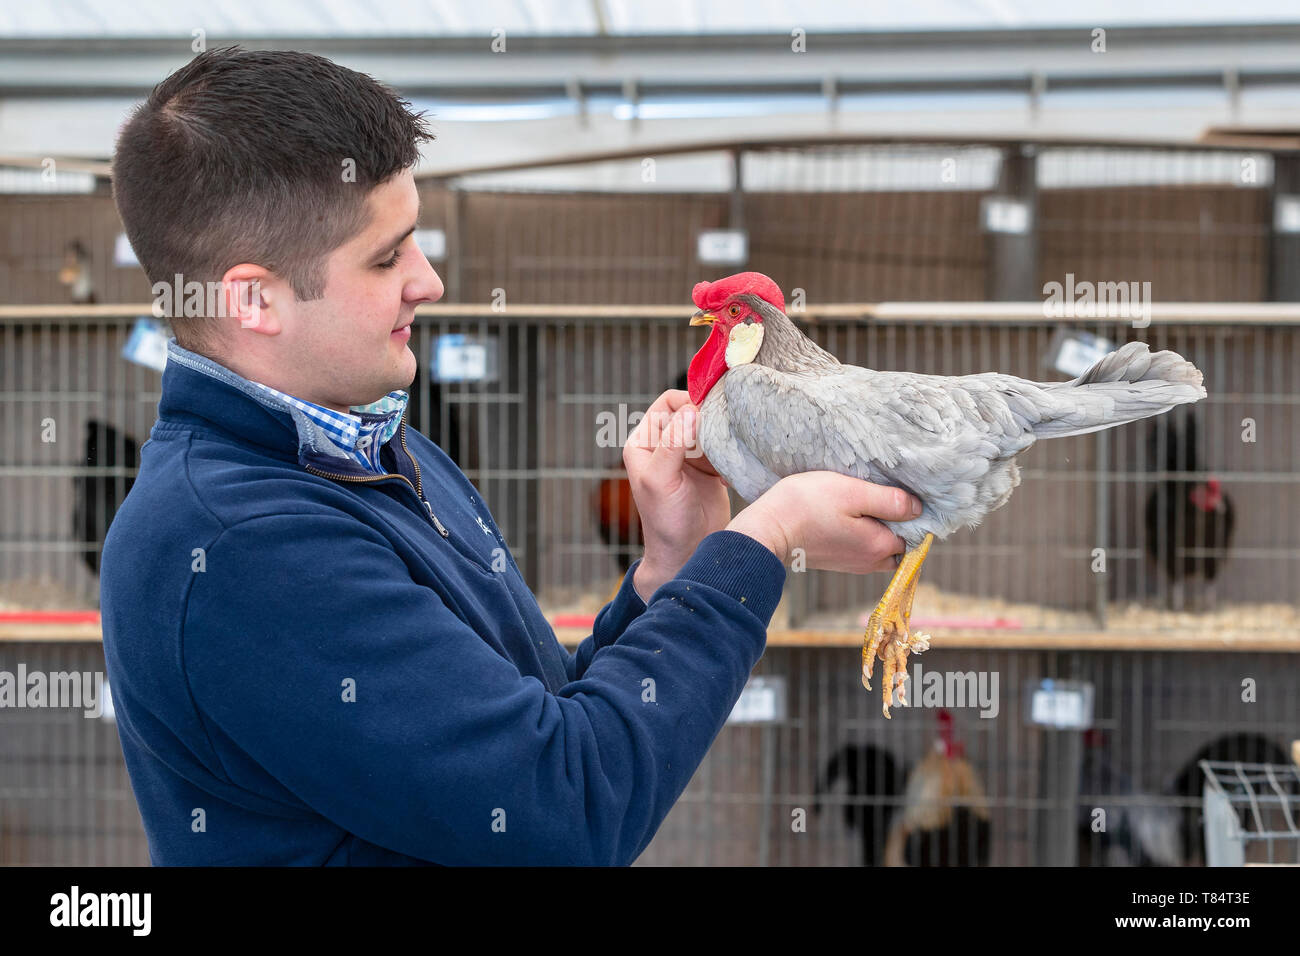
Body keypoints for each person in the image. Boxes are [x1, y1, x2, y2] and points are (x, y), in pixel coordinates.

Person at [100, 46, 918, 866]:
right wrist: (759, 544)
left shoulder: (383, 454)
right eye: (387, 257)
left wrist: (671, 571)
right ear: (252, 298)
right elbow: (559, 809)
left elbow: (537, 719)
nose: (430, 280)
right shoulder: (245, 546)